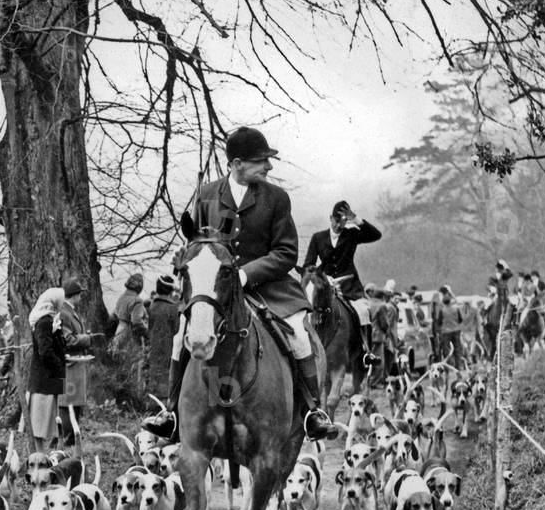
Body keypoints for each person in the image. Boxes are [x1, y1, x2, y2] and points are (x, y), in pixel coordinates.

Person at [143, 126, 335, 441]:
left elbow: (286, 252)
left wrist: (245, 274)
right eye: (262, 161)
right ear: (237, 164)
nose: (269, 167)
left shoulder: (276, 198)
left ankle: (313, 410)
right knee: (182, 336)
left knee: (299, 333)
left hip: (269, 286)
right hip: (217, 289)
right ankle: (171, 412)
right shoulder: (207, 194)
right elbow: (197, 243)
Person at [302, 200, 382, 367]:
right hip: (325, 285)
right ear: (331, 218)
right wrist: (319, 276)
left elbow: (376, 235)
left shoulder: (351, 234)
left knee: (363, 311)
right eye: (336, 220)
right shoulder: (318, 237)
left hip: (350, 286)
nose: (339, 225)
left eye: (344, 221)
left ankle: (366, 352)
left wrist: (357, 219)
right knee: (311, 311)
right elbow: (308, 264)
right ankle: (306, 351)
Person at [58, 279, 102, 447]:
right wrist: (88, 338)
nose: (81, 297)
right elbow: (68, 340)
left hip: (75, 365)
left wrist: (85, 335)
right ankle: (68, 439)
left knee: (74, 403)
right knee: (68, 402)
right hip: (70, 364)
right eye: (79, 294)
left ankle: (72, 437)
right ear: (74, 296)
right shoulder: (64, 313)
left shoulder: (69, 311)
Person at [28, 287, 67, 452]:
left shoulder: (52, 320)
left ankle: (50, 450)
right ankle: (39, 452)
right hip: (43, 378)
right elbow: (44, 351)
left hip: (49, 377)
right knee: (40, 420)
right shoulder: (44, 322)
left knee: (50, 418)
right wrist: (58, 363)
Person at [109, 273, 149, 408]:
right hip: (130, 336)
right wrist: (147, 333)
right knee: (134, 368)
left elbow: (114, 316)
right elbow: (137, 321)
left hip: (118, 334)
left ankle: (120, 401)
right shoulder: (137, 301)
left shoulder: (121, 298)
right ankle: (133, 403)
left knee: (121, 368)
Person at [146, 274, 180, 402]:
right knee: (167, 373)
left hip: (153, 345)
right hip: (169, 346)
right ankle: (165, 403)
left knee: (154, 371)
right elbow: (177, 329)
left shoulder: (152, 305)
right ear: (170, 291)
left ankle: (153, 401)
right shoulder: (173, 308)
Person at [367, 284, 391, 388]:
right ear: (383, 296)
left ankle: (368, 381)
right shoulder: (382, 306)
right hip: (377, 336)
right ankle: (375, 382)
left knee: (369, 360)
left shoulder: (368, 303)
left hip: (367, 335)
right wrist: (387, 333)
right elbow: (384, 323)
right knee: (379, 361)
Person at [437, 289, 464, 369]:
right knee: (457, 348)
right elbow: (460, 319)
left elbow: (439, 322)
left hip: (446, 332)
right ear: (450, 301)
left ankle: (449, 366)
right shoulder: (456, 308)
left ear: (443, 302)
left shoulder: (442, 310)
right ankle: (459, 365)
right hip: (456, 330)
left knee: (447, 349)